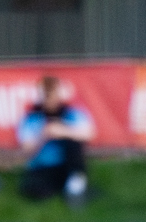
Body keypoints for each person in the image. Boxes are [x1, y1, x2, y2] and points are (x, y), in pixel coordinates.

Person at [17, 75, 95, 205]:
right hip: (42, 168)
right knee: (33, 189)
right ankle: (68, 191)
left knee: (74, 138)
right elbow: (27, 151)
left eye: (53, 95)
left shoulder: (72, 113)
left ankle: (75, 183)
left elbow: (89, 134)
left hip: (67, 165)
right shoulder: (31, 119)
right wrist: (43, 136)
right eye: (47, 96)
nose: (51, 100)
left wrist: (63, 131)